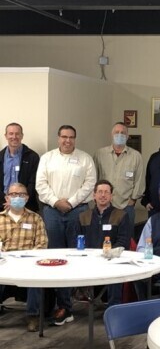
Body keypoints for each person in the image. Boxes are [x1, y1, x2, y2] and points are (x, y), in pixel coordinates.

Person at [35, 124, 97, 326]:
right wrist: (56, 202)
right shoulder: (47, 158)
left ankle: (71, 303)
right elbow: (40, 185)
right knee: (54, 257)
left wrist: (70, 202)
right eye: (64, 137)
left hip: (77, 211)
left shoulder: (85, 158)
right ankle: (61, 305)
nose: (67, 140)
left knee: (75, 256)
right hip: (51, 211)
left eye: (71, 137)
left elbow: (90, 184)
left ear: (75, 139)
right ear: (58, 138)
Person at [75, 180, 132, 307]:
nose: (103, 195)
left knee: (116, 271)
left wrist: (109, 255)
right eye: (100, 192)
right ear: (94, 195)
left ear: (111, 196)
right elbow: (78, 241)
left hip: (112, 261)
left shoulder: (121, 215)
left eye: (106, 192)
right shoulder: (82, 216)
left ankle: (114, 308)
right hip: (88, 260)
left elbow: (123, 242)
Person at [0, 182, 47, 331]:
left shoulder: (36, 218)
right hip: (4, 262)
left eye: (21, 194)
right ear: (7, 198)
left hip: (29, 262)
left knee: (35, 278)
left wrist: (29, 259)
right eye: (13, 194)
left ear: (27, 198)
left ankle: (33, 315)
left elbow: (42, 243)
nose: (17, 197)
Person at [93, 122, 145, 227]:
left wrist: (133, 200)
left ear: (127, 136)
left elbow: (139, 180)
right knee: (104, 236)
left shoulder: (136, 156)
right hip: (104, 204)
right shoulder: (100, 154)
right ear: (111, 135)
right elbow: (94, 178)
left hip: (126, 205)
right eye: (117, 132)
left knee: (126, 238)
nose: (119, 135)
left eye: (123, 133)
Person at [0, 122, 40, 212]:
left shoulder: (32, 157)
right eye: (11, 134)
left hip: (26, 206)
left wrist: (18, 202)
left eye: (17, 134)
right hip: (3, 206)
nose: (14, 137)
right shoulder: (0, 156)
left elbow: (33, 183)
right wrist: (7, 201)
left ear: (22, 136)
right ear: (6, 136)